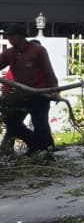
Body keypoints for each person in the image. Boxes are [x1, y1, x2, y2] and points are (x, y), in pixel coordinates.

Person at [0, 24, 58, 156]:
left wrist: (54, 90)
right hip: (21, 95)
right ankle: (36, 145)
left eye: (11, 36)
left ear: (20, 36)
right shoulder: (9, 53)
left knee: (41, 125)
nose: (8, 38)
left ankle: (47, 152)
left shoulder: (38, 51)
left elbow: (49, 72)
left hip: (40, 94)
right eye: (7, 36)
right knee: (12, 122)